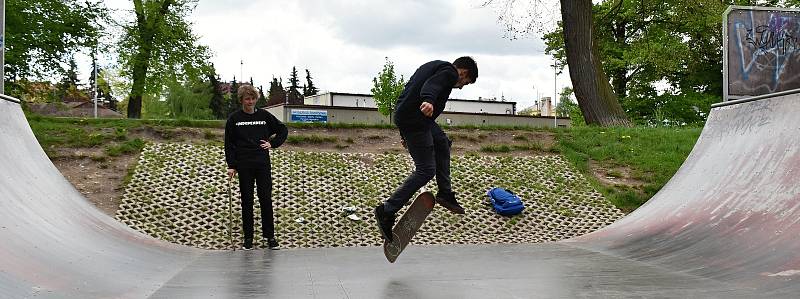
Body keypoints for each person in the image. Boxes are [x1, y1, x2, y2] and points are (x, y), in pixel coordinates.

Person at [374, 56, 478, 241]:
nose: (460, 87)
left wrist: (403, 134)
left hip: (413, 118)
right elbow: (431, 86)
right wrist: (429, 100)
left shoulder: (433, 66)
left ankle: (445, 193)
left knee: (442, 142)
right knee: (426, 170)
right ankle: (386, 210)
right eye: (465, 83)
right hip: (416, 121)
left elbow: (408, 95)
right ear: (464, 72)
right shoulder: (449, 72)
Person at [225, 84, 288, 250]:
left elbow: (283, 130)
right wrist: (231, 165)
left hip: (262, 164)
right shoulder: (234, 119)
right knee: (247, 201)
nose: (250, 101)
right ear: (241, 100)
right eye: (247, 99)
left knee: (265, 200)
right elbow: (229, 144)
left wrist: (272, 144)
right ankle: (248, 238)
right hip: (243, 165)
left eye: (253, 98)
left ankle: (270, 237)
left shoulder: (264, 116)